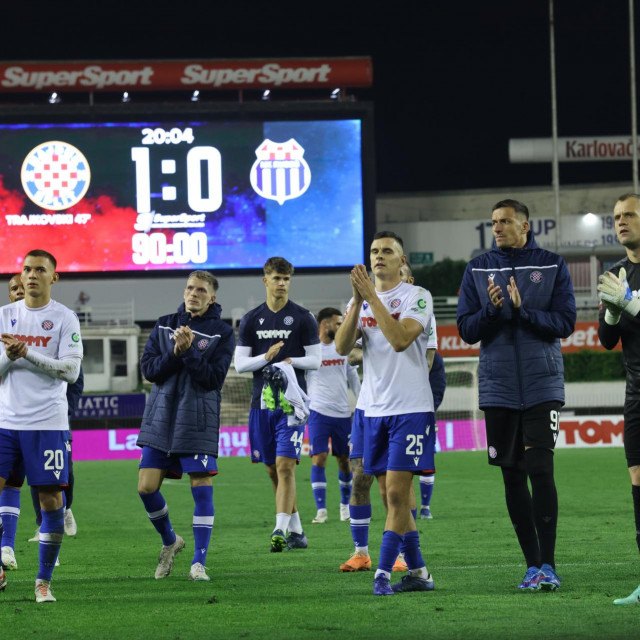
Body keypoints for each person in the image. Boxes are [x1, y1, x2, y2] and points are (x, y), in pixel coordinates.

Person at [457, 199, 576, 592]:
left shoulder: (552, 264)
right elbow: (466, 329)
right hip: (499, 388)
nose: (497, 228)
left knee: (541, 470)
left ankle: (550, 565)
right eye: (493, 222)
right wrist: (492, 311)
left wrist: (524, 311)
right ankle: (531, 566)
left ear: (525, 226)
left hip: (542, 385)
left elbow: (565, 322)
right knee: (513, 476)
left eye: (505, 221)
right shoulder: (476, 268)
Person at [335, 231, 436, 596]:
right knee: (383, 493)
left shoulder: (417, 297)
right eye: (374, 251)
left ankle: (381, 573)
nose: (379, 256)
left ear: (401, 260)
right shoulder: (361, 302)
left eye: (387, 251)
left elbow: (398, 340)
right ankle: (420, 572)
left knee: (395, 495)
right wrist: (356, 301)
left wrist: (371, 298)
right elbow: (343, 347)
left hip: (410, 409)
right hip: (371, 410)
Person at [136, 270, 234, 582]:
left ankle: (198, 563)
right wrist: (177, 354)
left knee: (201, 489)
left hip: (197, 421)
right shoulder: (165, 323)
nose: (194, 293)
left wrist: (189, 352)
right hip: (161, 418)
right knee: (146, 488)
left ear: (212, 297)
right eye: (190, 288)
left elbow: (213, 380)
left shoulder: (222, 332)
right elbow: (150, 370)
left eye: (201, 290)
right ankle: (170, 541)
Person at [0, 249, 83, 602]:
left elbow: (71, 371)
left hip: (47, 423)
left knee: (51, 502)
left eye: (39, 270)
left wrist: (27, 353)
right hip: (5, 422)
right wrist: (9, 355)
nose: (31, 275)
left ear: (54, 277)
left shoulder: (65, 318)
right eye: (27, 269)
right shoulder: (4, 316)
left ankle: (43, 582)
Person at [234, 257, 320, 552]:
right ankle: (296, 530)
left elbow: (316, 360)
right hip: (261, 405)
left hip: (292, 406)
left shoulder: (303, 317)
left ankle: (279, 530)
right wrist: (266, 358)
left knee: (285, 468)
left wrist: (289, 361)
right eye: (277, 278)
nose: (282, 284)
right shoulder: (251, 319)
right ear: (265, 281)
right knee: (272, 469)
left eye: (286, 279)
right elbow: (240, 365)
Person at [597, 193, 640, 605]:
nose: (621, 222)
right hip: (637, 395)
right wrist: (612, 311)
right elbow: (607, 340)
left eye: (629, 214)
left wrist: (629, 302)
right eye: (616, 217)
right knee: (639, 487)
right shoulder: (616, 272)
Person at [306, 307, 361, 524]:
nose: (341, 327)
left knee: (344, 461)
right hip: (318, 411)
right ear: (324, 324)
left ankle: (345, 507)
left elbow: (354, 379)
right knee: (318, 458)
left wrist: (363, 402)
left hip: (342, 413)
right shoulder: (311, 351)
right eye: (338, 323)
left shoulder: (343, 349)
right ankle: (321, 510)